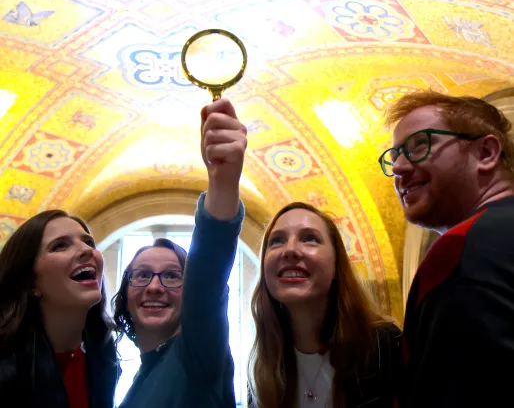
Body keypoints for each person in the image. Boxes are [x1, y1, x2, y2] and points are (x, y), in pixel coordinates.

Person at [379, 90, 514, 408]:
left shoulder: (461, 248)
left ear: (486, 152)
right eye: (395, 155)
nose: (398, 167)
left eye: (420, 145)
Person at [112, 98, 247, 408]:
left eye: (173, 276)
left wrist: (223, 182)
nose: (155, 286)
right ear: (124, 292)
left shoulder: (197, 354)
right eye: (142, 275)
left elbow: (208, 275)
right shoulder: (138, 377)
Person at [248, 202, 402, 408]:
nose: (290, 250)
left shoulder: (384, 345)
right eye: (277, 241)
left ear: (337, 266)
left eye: (310, 238)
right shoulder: (263, 368)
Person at [0, 210, 118, 408]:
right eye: (60, 245)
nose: (87, 250)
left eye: (88, 242)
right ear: (30, 282)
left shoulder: (103, 353)